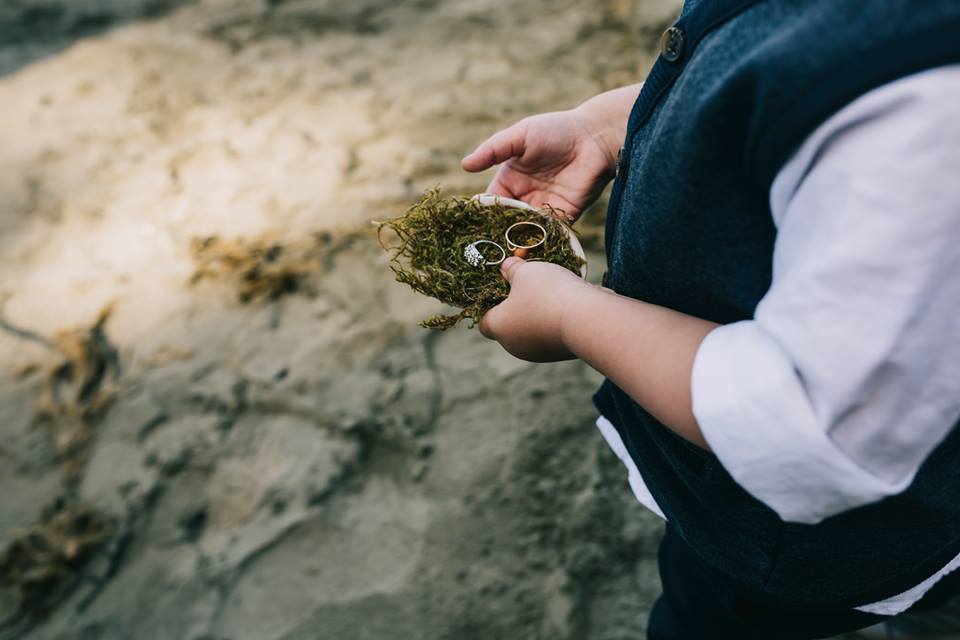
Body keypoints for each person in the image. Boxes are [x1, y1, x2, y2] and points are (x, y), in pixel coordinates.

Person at [461, 2, 960, 638]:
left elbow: (812, 422)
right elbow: (771, 65)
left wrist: (570, 317)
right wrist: (608, 125)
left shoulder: (927, 112)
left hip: (798, 537)